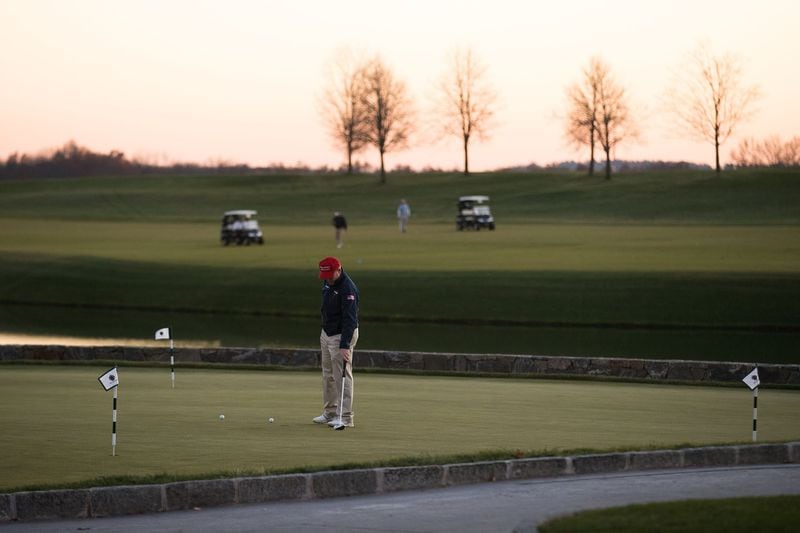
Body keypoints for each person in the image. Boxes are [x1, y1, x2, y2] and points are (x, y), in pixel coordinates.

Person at [314, 256, 359, 428]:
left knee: (343, 376)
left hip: (342, 335)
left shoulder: (348, 290)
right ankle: (330, 412)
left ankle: (345, 417)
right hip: (327, 333)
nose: (327, 279)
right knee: (328, 374)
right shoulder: (328, 282)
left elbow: (350, 320)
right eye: (324, 275)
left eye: (330, 275)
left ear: (339, 270)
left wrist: (345, 345)